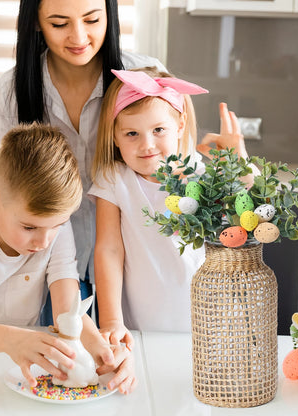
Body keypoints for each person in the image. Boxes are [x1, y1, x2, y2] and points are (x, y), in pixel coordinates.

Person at [0, 0, 166, 324]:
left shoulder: (141, 81)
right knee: (55, 359)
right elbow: (0, 182)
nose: (79, 36)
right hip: (49, 256)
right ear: (36, 22)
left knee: (129, 356)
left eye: (92, 19)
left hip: (131, 255)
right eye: (59, 23)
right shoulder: (14, 90)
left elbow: (173, 165)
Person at [0, 123, 136, 393]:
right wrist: (15, 341)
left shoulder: (53, 228)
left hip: (18, 371)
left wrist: (103, 352)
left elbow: (67, 310)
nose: (44, 242)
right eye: (29, 227)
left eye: (58, 225)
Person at [88, 68, 257, 347]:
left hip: (210, 326)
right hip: (140, 328)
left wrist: (238, 162)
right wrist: (110, 322)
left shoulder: (202, 177)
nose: (147, 144)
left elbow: (249, 215)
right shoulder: (114, 180)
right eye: (132, 133)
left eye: (158, 130)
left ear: (179, 126)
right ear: (114, 136)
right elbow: (108, 250)